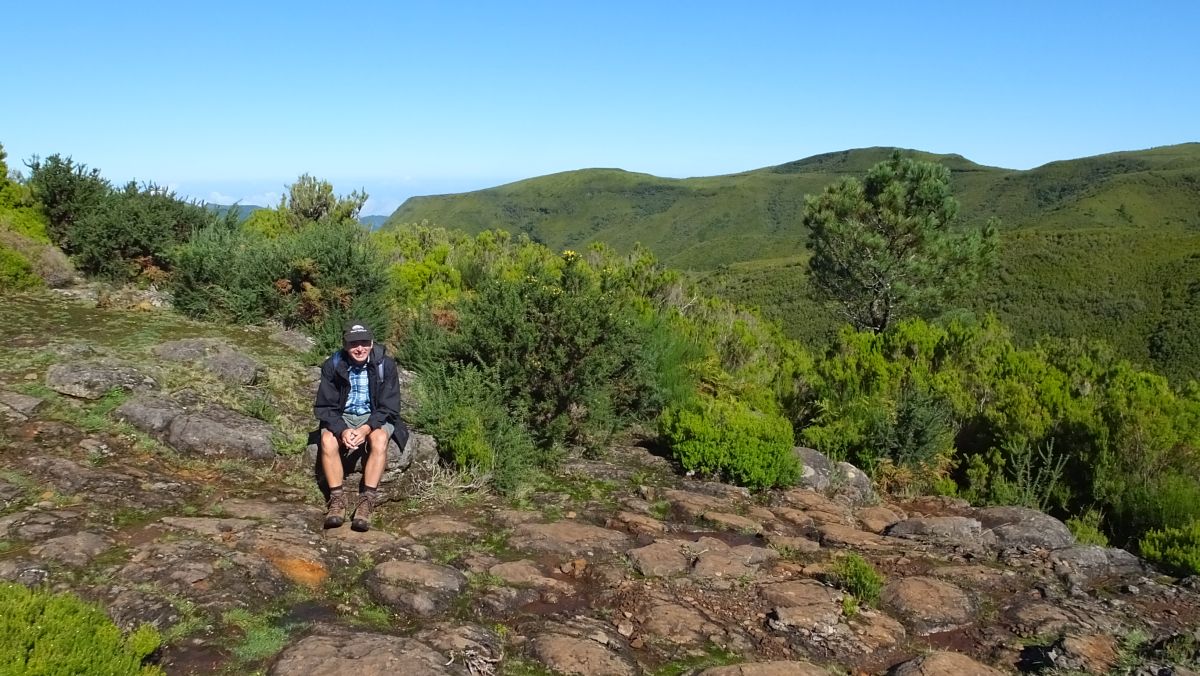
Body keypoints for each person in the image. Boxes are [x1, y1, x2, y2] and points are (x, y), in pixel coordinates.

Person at [313, 320, 403, 532]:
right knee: (327, 441)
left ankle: (366, 502)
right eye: (354, 344)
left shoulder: (386, 365)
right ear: (345, 345)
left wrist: (366, 428)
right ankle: (337, 501)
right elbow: (324, 406)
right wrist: (342, 429)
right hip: (343, 416)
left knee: (379, 439)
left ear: (372, 343)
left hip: (374, 415)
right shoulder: (333, 365)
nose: (360, 348)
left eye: (364, 342)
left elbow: (389, 406)